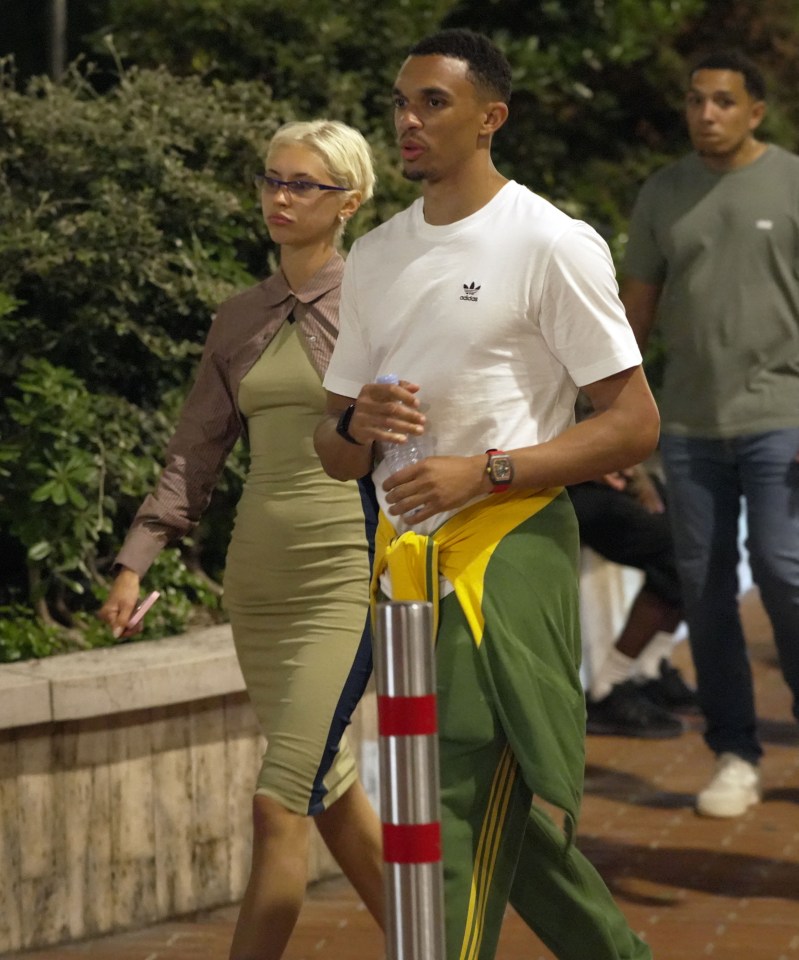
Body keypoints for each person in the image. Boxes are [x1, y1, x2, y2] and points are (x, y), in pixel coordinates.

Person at [314, 28, 659, 960]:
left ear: (489, 118)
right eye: (399, 101)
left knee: (451, 798)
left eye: (432, 101)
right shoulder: (378, 254)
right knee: (490, 812)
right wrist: (358, 426)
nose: (408, 120)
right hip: (405, 567)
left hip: (504, 556)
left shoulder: (549, 241)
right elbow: (334, 449)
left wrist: (487, 469)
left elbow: (632, 423)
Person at [98, 119, 384, 960]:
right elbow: (194, 452)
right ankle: (437, 943)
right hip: (257, 584)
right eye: (272, 180)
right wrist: (132, 564)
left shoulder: (377, 307)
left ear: (349, 203)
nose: (281, 197)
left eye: (304, 185)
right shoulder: (240, 316)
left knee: (277, 800)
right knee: (325, 790)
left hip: (347, 574)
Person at [621, 50, 799, 818]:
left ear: (754, 111)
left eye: (722, 102)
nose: (706, 114)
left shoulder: (791, 182)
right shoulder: (663, 193)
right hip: (689, 427)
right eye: (695, 101)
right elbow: (631, 319)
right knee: (705, 589)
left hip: (781, 418)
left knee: (784, 569)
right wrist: (608, 423)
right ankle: (734, 751)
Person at [570, 463, 697, 739]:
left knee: (695, 537)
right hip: (558, 482)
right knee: (676, 551)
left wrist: (630, 464)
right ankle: (607, 688)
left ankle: (650, 671)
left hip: (601, 465)